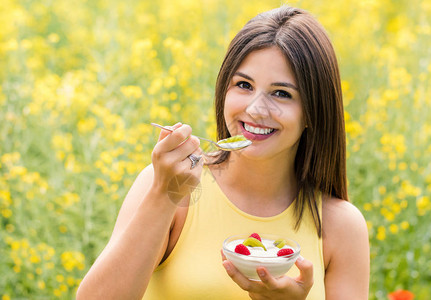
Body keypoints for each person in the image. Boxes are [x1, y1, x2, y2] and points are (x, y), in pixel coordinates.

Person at [77, 5, 370, 300]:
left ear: (313, 112)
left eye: (282, 93)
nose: (255, 109)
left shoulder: (341, 227)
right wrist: (163, 196)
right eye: (243, 85)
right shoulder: (171, 185)